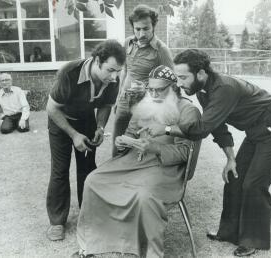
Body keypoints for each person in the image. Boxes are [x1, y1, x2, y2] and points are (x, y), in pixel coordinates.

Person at [140, 49, 271, 256]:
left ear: (202, 73)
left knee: (254, 184)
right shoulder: (203, 91)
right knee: (234, 177)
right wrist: (231, 159)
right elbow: (218, 127)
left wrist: (166, 129)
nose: (178, 83)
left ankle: (254, 240)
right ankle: (229, 232)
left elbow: (200, 130)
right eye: (177, 77)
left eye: (183, 77)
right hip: (256, 131)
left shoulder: (224, 89)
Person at [72, 66, 200, 258]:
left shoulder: (188, 110)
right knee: (93, 180)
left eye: (160, 89)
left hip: (166, 168)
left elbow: (184, 153)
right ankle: (95, 242)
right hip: (133, 161)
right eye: (151, 89)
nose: (154, 94)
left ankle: (146, 251)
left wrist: (153, 147)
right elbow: (130, 134)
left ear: (173, 87)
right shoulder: (146, 104)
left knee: (143, 195)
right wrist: (122, 141)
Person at [46, 40, 126, 241]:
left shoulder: (113, 79)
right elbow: (52, 108)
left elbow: (106, 105)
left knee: (88, 168)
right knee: (60, 169)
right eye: (110, 70)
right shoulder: (69, 72)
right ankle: (57, 221)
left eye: (118, 71)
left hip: (87, 120)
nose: (114, 76)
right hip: (60, 121)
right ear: (97, 60)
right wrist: (74, 135)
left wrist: (100, 127)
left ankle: (89, 214)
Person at [112, 4, 173, 157]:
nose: (141, 33)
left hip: (145, 103)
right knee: (117, 142)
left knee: (134, 143)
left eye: (146, 28)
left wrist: (146, 90)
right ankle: (114, 174)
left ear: (154, 27)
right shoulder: (127, 43)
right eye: (137, 29)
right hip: (125, 100)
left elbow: (171, 82)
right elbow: (125, 70)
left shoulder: (162, 50)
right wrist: (119, 97)